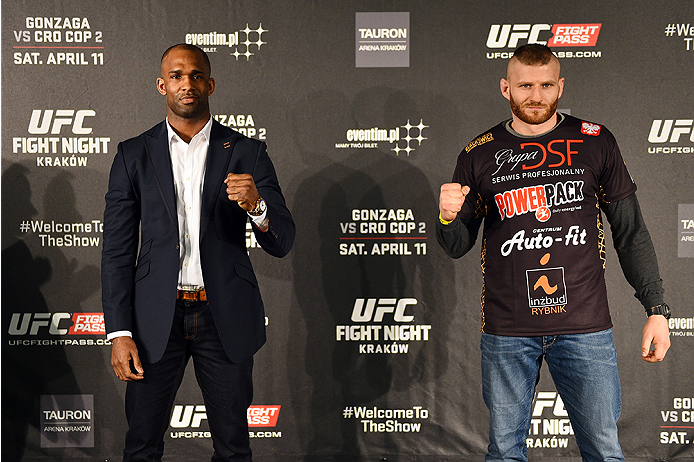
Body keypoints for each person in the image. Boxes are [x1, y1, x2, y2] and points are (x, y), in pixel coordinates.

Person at [436, 44, 670, 462]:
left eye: (546, 85)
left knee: (603, 450)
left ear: (560, 85)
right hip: (508, 329)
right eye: (525, 85)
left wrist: (656, 308)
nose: (536, 96)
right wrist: (447, 217)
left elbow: (630, 232)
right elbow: (456, 246)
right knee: (505, 452)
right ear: (506, 88)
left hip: (584, 324)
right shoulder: (478, 153)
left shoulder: (595, 142)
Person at [101, 43, 295, 461]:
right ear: (161, 85)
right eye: (176, 76)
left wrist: (257, 206)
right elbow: (116, 251)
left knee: (233, 447)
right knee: (141, 445)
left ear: (210, 83)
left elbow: (283, 242)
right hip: (156, 317)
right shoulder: (132, 154)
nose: (186, 84)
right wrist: (119, 333)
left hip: (222, 315)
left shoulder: (248, 152)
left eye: (194, 75)